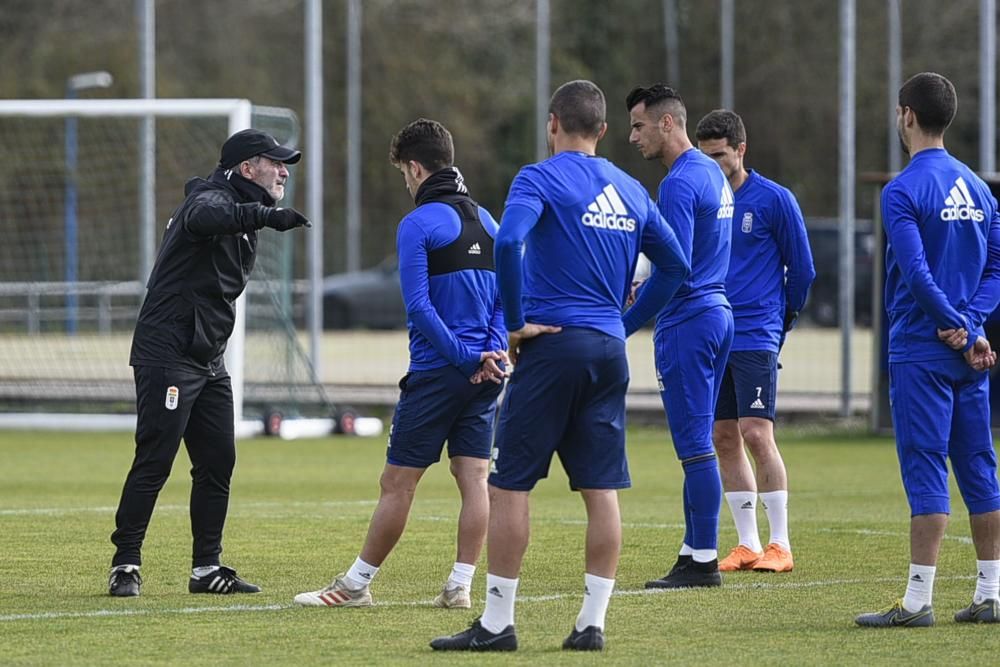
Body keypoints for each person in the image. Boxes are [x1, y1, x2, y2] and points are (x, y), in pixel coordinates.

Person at [430, 80, 689, 653]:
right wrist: (622, 325)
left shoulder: (538, 177)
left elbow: (509, 243)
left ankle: (497, 624)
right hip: (606, 351)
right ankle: (591, 624)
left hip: (552, 348)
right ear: (601, 130)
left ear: (552, 124)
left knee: (510, 486)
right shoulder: (630, 188)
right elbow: (676, 265)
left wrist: (516, 321)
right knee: (601, 490)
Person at [294, 119, 508, 609]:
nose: (406, 184)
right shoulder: (489, 220)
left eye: (403, 175)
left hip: (439, 372)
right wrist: (490, 352)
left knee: (397, 483)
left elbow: (418, 307)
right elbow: (504, 298)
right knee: (474, 478)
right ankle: (459, 587)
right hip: (487, 374)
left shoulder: (418, 223)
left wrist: (462, 357)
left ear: (415, 167)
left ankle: (355, 586)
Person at [108, 129, 311, 597]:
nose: (284, 171)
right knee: (156, 458)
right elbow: (205, 216)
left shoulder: (235, 209)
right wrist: (267, 216)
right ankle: (125, 564)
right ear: (246, 169)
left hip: (207, 356)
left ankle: (206, 569)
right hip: (169, 353)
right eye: (275, 162)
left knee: (219, 461)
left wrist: (258, 216)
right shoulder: (210, 199)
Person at [856, 72, 1000, 627]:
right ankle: (989, 594)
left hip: (922, 347)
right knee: (979, 468)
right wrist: (973, 325)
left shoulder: (903, 189)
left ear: (907, 116)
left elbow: (914, 272)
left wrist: (951, 324)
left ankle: (917, 601)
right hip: (971, 353)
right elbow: (995, 266)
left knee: (925, 469)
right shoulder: (978, 188)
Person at [695, 109, 815, 574]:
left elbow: (802, 270)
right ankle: (747, 544)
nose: (712, 163)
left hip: (756, 332)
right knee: (723, 435)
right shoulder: (705, 200)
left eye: (720, 155)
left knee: (756, 432)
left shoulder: (774, 200)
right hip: (714, 333)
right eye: (705, 156)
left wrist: (780, 319)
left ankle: (780, 544)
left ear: (740, 150)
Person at [626, 84, 734, 589]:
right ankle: (694, 549)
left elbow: (675, 266)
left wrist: (623, 325)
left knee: (694, 445)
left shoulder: (678, 182)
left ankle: (703, 560)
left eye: (639, 126)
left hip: (689, 318)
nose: (633, 137)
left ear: (668, 123)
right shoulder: (712, 172)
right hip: (717, 311)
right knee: (700, 442)